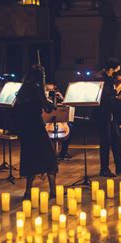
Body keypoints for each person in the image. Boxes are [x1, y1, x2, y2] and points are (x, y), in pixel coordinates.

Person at [14, 64, 58, 200]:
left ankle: (28, 192)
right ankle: (53, 191)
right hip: (37, 126)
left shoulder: (23, 89)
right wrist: (51, 102)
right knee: (50, 157)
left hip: (25, 128)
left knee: (30, 158)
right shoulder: (37, 89)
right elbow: (48, 109)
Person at [94, 57, 121, 177]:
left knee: (116, 140)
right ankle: (104, 169)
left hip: (111, 113)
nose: (118, 71)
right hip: (102, 114)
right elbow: (105, 95)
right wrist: (117, 89)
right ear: (112, 68)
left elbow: (113, 93)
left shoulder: (109, 77)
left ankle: (120, 167)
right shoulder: (100, 77)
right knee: (105, 142)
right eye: (117, 69)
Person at [45, 82, 73, 160]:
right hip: (46, 121)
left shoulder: (58, 98)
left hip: (59, 120)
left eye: (52, 90)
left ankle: (64, 152)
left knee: (70, 126)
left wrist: (62, 98)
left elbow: (68, 107)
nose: (50, 91)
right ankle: (47, 153)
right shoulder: (43, 99)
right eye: (48, 90)